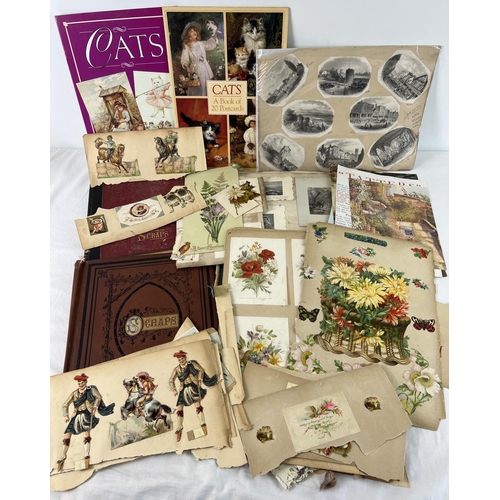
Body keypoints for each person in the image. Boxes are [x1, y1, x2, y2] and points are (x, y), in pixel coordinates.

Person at [56, 373, 115, 471]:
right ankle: (63, 455)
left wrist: (95, 407)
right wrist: (65, 415)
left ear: (86, 382)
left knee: (86, 433)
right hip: (76, 415)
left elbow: (98, 397)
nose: (80, 384)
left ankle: (87, 454)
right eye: (79, 383)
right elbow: (64, 404)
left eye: (82, 382)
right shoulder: (74, 393)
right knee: (67, 434)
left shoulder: (90, 390)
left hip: (87, 413)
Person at [169, 350, 218, 441]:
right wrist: (173, 389)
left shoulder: (191, 364)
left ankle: (203, 424)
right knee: (179, 408)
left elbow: (201, 370)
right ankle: (179, 427)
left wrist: (199, 379)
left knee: (198, 406)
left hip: (193, 386)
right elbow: (171, 380)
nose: (181, 361)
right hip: (183, 389)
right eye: (179, 360)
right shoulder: (176, 369)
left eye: (182, 359)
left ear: (185, 358)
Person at [180, 21, 218, 96]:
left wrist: (214, 32)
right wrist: (187, 67)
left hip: (204, 69)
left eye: (195, 31)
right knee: (196, 87)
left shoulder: (201, 44)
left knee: (205, 87)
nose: (194, 32)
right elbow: (184, 59)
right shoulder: (187, 46)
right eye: (191, 31)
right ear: (188, 34)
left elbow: (210, 44)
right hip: (195, 70)